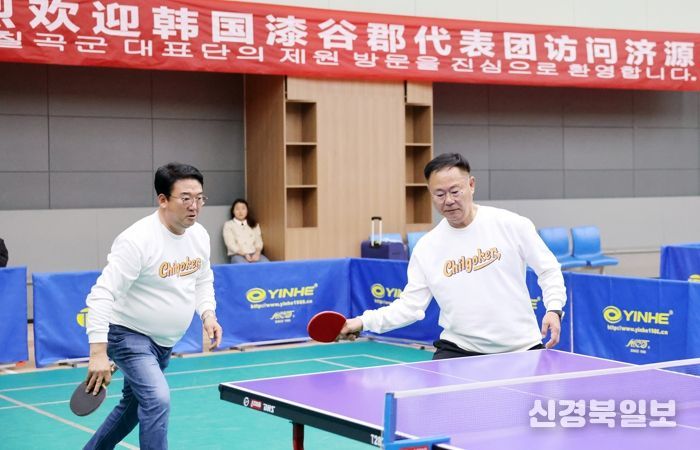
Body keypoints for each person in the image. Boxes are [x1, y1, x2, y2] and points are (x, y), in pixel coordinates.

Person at [340, 153, 566, 359]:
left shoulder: (512, 224)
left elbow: (548, 269)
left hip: (521, 347)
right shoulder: (427, 247)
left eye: (455, 191)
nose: (448, 200)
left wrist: (554, 309)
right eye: (439, 194)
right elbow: (409, 307)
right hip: (459, 349)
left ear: (471, 185)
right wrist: (361, 322)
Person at [83, 162, 223, 450]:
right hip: (128, 335)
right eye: (186, 198)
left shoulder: (199, 235)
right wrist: (98, 352)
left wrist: (208, 313)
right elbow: (102, 294)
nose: (194, 206)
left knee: (133, 407)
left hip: (164, 343)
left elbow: (202, 279)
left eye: (200, 198)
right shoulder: (137, 240)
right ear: (163, 199)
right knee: (158, 399)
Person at [222, 198, 269, 264]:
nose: (240, 212)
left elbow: (258, 241)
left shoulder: (254, 224)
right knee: (243, 266)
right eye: (237, 209)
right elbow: (230, 243)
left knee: (266, 263)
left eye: (243, 208)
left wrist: (257, 253)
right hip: (238, 255)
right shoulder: (228, 225)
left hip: (254, 254)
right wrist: (244, 254)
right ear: (233, 211)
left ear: (247, 210)